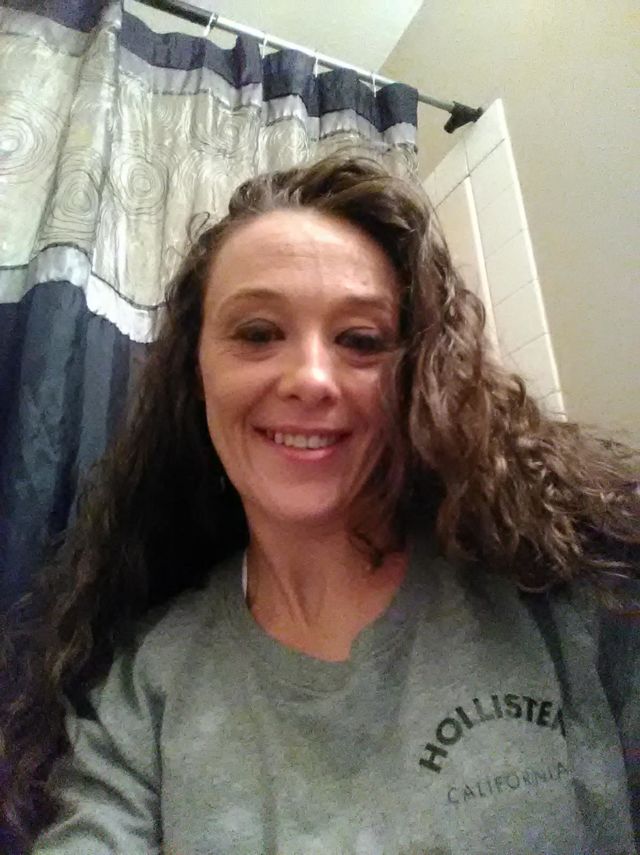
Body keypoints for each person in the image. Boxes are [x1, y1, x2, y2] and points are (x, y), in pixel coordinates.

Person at [1, 155, 638, 854]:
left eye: (361, 340)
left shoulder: (571, 592)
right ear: (196, 370)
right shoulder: (145, 693)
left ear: (416, 374)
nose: (309, 378)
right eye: (257, 333)